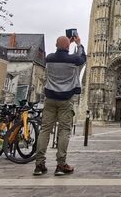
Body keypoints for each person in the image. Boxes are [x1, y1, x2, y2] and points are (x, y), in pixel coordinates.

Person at [33, 34, 86, 176]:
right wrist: (78, 44)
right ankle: (61, 165)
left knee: (45, 130)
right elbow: (82, 59)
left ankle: (39, 165)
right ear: (68, 46)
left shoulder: (49, 59)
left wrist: (65, 44)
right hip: (65, 100)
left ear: (56, 46)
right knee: (64, 131)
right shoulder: (73, 61)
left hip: (50, 99)